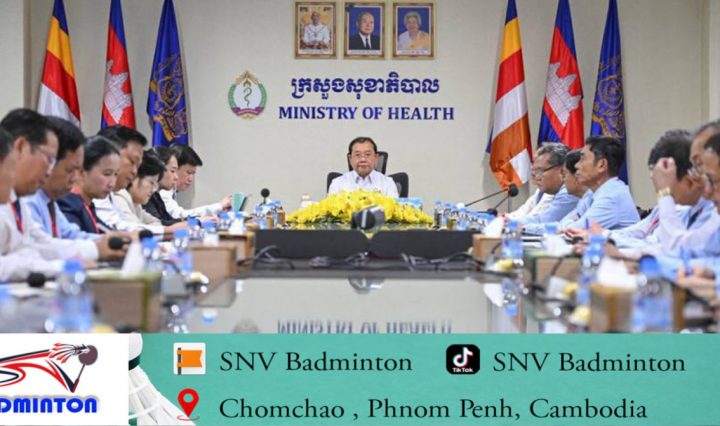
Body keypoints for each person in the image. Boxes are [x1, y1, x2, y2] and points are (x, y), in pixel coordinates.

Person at [0, 109, 123, 281]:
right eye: (49, 159)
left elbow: (35, 247)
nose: (49, 171)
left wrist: (98, 248)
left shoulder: (17, 200)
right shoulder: (23, 199)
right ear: (20, 148)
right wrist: (63, 266)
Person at [592, 131, 715, 253]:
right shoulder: (689, 207)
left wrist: (664, 194)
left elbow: (673, 248)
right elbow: (650, 239)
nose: (654, 179)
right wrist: (604, 236)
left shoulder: (698, 209)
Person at [525, 136, 639, 234]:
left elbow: (572, 231)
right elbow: (563, 224)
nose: (577, 166)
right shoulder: (591, 194)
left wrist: (571, 223)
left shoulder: (611, 197)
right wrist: (525, 228)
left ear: (601, 165)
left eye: (582, 159)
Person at [24, 117, 100, 241]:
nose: (75, 178)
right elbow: (42, 247)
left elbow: (70, 235)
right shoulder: (29, 199)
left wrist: (108, 242)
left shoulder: (48, 200)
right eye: (70, 170)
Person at [94, 125, 154, 232]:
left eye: (138, 166)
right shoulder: (96, 191)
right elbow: (118, 227)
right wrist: (168, 231)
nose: (135, 172)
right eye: (132, 161)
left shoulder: (112, 193)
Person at [58, 136, 120, 234]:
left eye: (116, 174)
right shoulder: (68, 204)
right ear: (81, 173)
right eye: (107, 174)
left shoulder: (88, 205)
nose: (112, 184)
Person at [115, 150, 185, 231]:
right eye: (151, 182)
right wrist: (167, 230)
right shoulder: (119, 198)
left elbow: (156, 222)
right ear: (134, 177)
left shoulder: (136, 204)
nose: (153, 189)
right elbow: (136, 230)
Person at [159, 144, 231, 220]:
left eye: (193, 174)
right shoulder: (163, 191)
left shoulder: (171, 191)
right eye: (188, 173)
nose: (190, 179)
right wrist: (218, 206)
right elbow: (178, 216)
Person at [518, 143, 580, 225]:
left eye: (540, 171)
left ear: (562, 170)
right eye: (534, 172)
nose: (536, 178)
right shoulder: (548, 191)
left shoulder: (570, 193)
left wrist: (509, 223)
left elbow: (544, 222)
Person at [328, 136, 398, 197]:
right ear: (350, 158)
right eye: (358, 155)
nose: (363, 159)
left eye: (367, 154)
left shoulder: (388, 183)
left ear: (376, 158)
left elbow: (394, 208)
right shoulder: (337, 184)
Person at [143, 146, 181, 226]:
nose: (176, 177)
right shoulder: (145, 196)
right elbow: (159, 225)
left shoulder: (156, 195)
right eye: (172, 171)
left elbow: (167, 220)